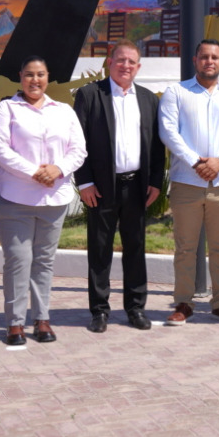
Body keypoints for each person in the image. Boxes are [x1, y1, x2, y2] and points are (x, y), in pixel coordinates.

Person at [0, 56, 86, 346]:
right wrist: (34, 172)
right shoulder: (6, 109)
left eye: (40, 75)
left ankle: (42, 319)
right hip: (14, 197)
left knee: (44, 261)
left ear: (48, 77)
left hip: (53, 198)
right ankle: (15, 323)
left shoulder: (64, 111)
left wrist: (58, 169)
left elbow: (78, 149)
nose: (35, 80)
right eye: (29, 75)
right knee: (18, 260)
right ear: (20, 77)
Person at [159, 39, 219, 325]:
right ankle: (184, 303)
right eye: (204, 57)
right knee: (185, 246)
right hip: (187, 181)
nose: (209, 61)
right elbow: (168, 132)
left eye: (215, 57)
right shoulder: (177, 92)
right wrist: (197, 161)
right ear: (195, 60)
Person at [75, 41, 164, 332]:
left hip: (137, 185)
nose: (126, 66)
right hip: (101, 187)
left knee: (135, 247)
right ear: (109, 63)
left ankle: (135, 308)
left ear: (138, 67)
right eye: (121, 60)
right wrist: (85, 182)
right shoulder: (90, 95)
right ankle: (99, 310)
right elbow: (78, 142)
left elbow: (156, 146)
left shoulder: (149, 99)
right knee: (99, 249)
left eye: (132, 62)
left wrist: (154, 182)